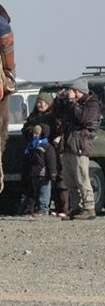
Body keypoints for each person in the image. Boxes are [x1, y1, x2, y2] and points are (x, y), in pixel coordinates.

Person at [53, 78, 101, 220]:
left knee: (82, 178)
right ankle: (76, 208)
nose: (70, 93)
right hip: (68, 145)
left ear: (79, 91)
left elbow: (83, 119)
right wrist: (59, 100)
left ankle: (89, 208)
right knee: (70, 180)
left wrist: (72, 103)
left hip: (80, 145)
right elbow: (57, 114)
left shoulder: (92, 104)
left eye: (72, 90)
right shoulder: (72, 104)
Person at [24, 122, 58, 217]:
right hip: (34, 173)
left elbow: (51, 161)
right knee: (37, 192)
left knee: (44, 192)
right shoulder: (31, 146)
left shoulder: (47, 146)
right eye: (34, 133)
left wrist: (52, 174)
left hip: (44, 174)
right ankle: (38, 209)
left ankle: (43, 210)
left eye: (37, 134)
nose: (35, 135)